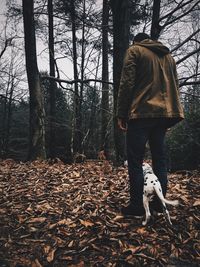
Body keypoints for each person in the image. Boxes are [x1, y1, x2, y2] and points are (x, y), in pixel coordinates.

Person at [116, 32, 184, 216]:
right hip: (163, 114)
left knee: (135, 161)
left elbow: (127, 83)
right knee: (159, 160)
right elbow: (174, 85)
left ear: (137, 41)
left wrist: (121, 113)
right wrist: (170, 115)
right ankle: (158, 205)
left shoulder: (135, 51)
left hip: (141, 113)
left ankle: (137, 206)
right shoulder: (168, 56)